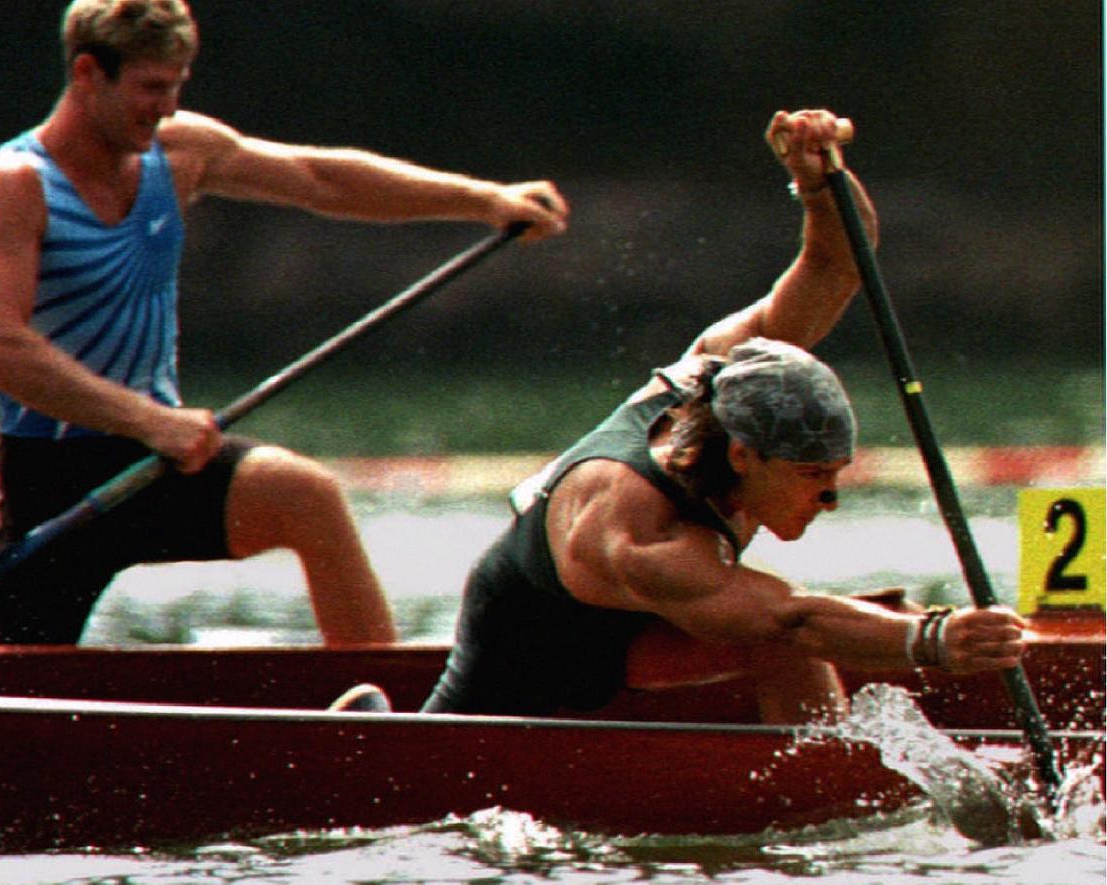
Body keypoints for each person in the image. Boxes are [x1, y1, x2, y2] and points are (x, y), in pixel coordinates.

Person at [0, 0, 569, 646]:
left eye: (177, 86)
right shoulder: (13, 186)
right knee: (8, 670)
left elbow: (319, 178)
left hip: (161, 463)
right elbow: (1, 349)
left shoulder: (180, 152)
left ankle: (382, 699)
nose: (167, 107)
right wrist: (151, 420)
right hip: (54, 479)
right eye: (151, 87)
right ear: (87, 73)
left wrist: (485, 200)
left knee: (307, 496)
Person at [422, 109, 1026, 723]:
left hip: (653, 624)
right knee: (789, 629)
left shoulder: (733, 371)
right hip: (536, 666)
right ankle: (825, 772)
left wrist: (820, 185)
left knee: (839, 622)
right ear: (742, 455)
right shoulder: (645, 534)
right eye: (813, 476)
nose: (830, 499)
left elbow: (834, 269)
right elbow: (794, 620)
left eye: (835, 473)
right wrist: (935, 641)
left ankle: (826, 764)